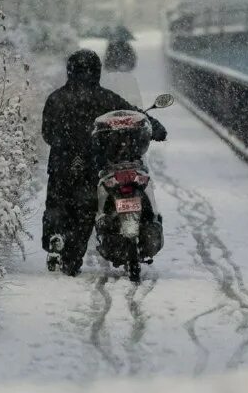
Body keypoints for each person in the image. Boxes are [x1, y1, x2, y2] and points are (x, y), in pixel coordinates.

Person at [42, 49, 167, 276]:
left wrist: (68, 144)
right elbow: (132, 114)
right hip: (91, 164)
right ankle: (72, 259)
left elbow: (47, 135)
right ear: (96, 71)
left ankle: (55, 236)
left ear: (70, 70)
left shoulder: (55, 99)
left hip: (62, 164)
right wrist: (156, 127)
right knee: (84, 212)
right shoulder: (106, 98)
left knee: (57, 205)